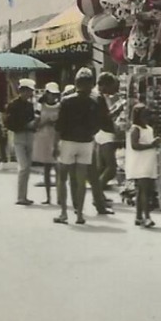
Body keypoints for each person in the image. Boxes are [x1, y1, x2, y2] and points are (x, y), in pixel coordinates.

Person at [52, 67, 107, 225]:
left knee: (63, 179)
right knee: (81, 180)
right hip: (86, 142)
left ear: (76, 83)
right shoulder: (95, 101)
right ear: (91, 84)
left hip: (68, 141)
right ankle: (80, 215)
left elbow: (59, 125)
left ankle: (63, 213)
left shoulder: (66, 100)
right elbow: (98, 124)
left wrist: (55, 145)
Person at [91, 72, 122, 214]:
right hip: (105, 134)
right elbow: (105, 116)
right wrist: (118, 109)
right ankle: (97, 195)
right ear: (104, 85)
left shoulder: (99, 96)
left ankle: (100, 196)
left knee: (102, 168)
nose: (114, 90)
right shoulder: (98, 97)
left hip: (101, 134)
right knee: (111, 168)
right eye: (112, 87)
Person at [5, 79, 38, 205]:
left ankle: (24, 196)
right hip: (19, 136)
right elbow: (9, 123)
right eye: (28, 91)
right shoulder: (13, 105)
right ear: (22, 91)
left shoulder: (30, 106)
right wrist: (25, 125)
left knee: (27, 167)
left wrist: (34, 124)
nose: (29, 94)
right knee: (23, 167)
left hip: (29, 136)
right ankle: (20, 196)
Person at [126, 103, 159, 227]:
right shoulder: (135, 129)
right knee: (145, 190)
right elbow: (135, 145)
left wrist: (154, 143)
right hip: (140, 163)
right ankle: (147, 217)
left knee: (142, 191)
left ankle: (139, 216)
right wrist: (151, 145)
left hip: (148, 161)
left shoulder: (149, 128)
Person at [32, 82, 61, 199]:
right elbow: (36, 125)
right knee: (47, 169)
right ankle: (48, 197)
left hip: (56, 138)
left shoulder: (60, 106)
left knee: (58, 168)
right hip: (44, 138)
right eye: (51, 94)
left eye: (55, 94)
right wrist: (46, 122)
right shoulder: (39, 106)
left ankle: (60, 197)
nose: (53, 97)